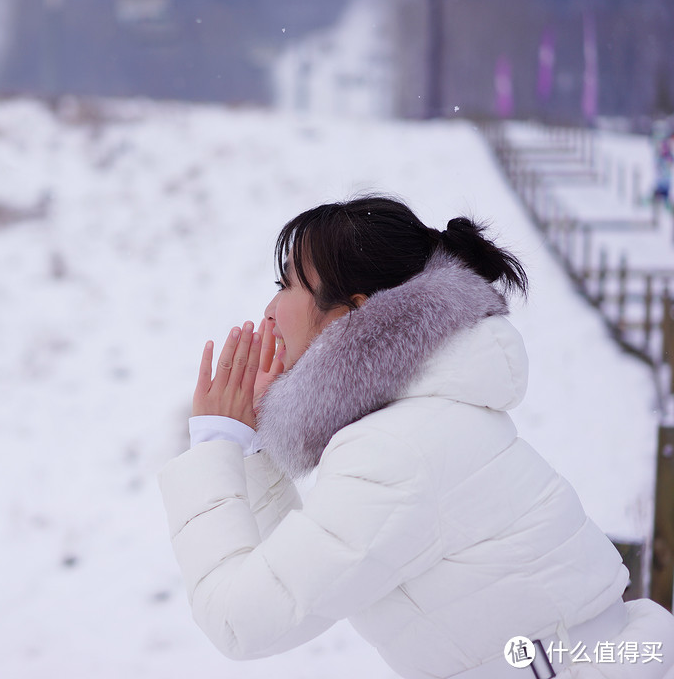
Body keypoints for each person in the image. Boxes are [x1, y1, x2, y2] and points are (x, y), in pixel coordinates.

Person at [158, 195, 674, 678]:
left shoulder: (397, 451)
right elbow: (293, 575)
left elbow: (239, 620)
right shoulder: (418, 424)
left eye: (286, 285)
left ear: (354, 313)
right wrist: (253, 447)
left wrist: (214, 444)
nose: (269, 310)